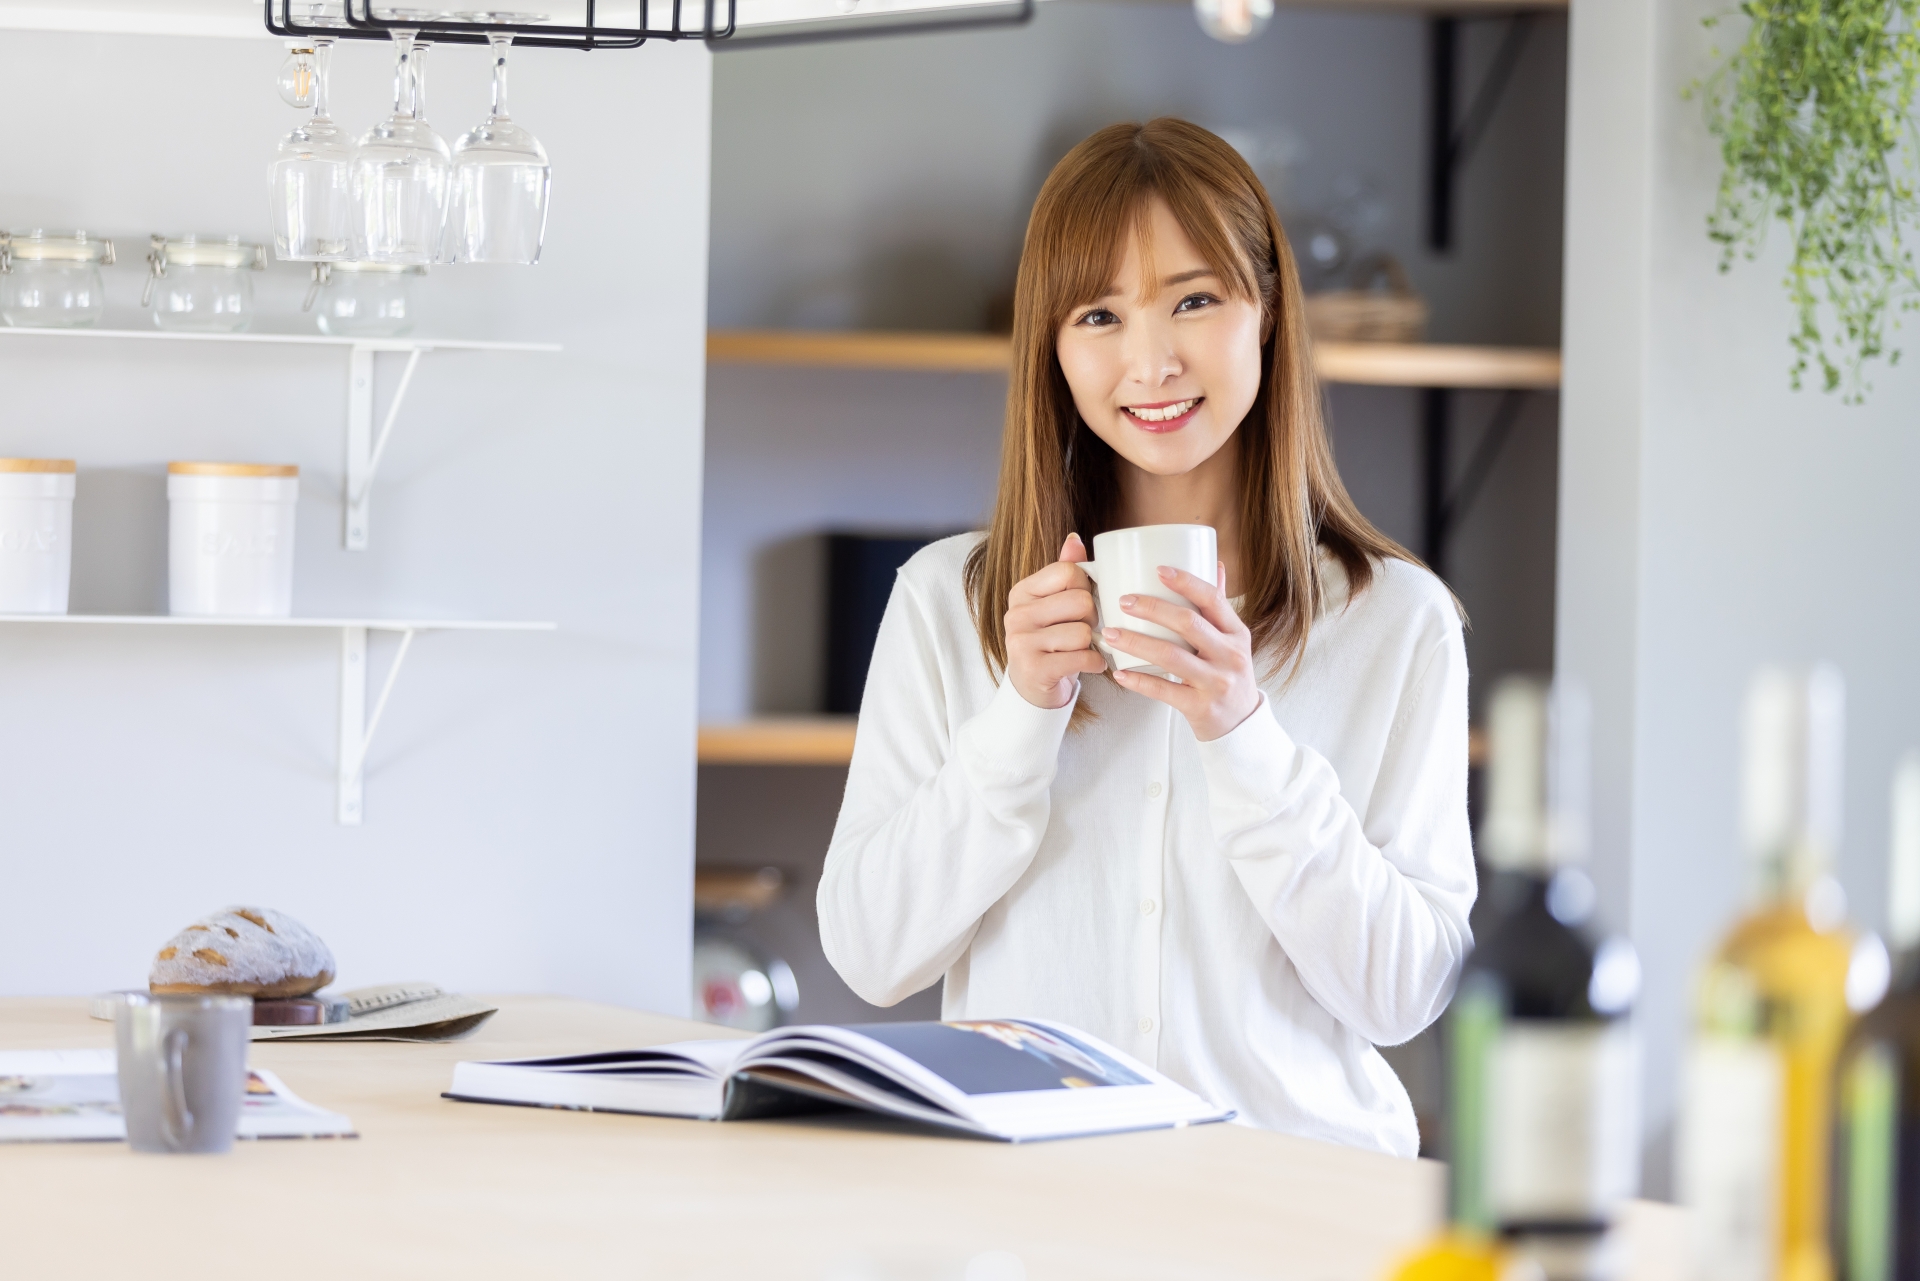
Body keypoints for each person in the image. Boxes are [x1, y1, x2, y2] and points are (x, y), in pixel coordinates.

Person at [816, 117, 1475, 1157]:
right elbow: (871, 952)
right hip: (1032, 1205)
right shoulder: (950, 599)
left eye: (1195, 300)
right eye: (1100, 315)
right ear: (1054, 350)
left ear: (1266, 312)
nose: (1151, 360)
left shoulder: (1398, 622)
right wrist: (1020, 718)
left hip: (1297, 1213)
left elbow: (1405, 995)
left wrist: (1242, 730)